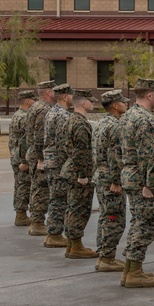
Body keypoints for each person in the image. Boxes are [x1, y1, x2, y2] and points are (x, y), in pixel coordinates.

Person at [120, 78, 154, 288]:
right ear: (150, 95)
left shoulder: (128, 114)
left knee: (138, 222)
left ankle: (129, 269)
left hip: (130, 174)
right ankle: (134, 270)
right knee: (145, 224)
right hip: (141, 179)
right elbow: (147, 156)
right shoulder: (146, 119)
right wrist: (150, 184)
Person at [59, 89, 98, 259]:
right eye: (91, 101)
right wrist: (83, 174)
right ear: (83, 103)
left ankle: (71, 244)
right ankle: (76, 246)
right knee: (79, 209)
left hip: (70, 169)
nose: (93, 103)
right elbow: (81, 151)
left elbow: (66, 146)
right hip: (79, 172)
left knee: (72, 207)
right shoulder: (81, 123)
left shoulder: (69, 119)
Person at [93, 90, 129, 272]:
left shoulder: (101, 123)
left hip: (100, 175)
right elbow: (115, 155)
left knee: (106, 217)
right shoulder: (115, 126)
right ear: (115, 105)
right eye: (123, 102)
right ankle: (107, 257)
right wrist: (116, 180)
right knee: (115, 219)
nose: (125, 104)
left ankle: (103, 254)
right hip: (110, 179)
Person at [42, 83, 73, 249]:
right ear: (66, 97)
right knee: (60, 199)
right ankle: (54, 234)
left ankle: (51, 233)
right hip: (58, 163)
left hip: (51, 160)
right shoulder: (62, 115)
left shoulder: (51, 111)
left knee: (56, 197)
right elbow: (63, 143)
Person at [25, 80, 56, 236]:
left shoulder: (37, 107)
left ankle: (36, 220)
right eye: (54, 90)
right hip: (40, 155)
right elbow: (39, 137)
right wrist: (41, 159)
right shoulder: (43, 109)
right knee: (41, 190)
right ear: (49, 92)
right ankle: (37, 222)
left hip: (34, 154)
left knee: (37, 188)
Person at [9, 90, 36, 227]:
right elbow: (25, 141)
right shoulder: (25, 118)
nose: (35, 102)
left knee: (19, 185)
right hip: (21, 157)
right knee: (24, 186)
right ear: (27, 101)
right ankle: (21, 215)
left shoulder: (16, 115)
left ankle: (20, 214)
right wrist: (25, 161)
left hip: (15, 155)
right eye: (33, 100)